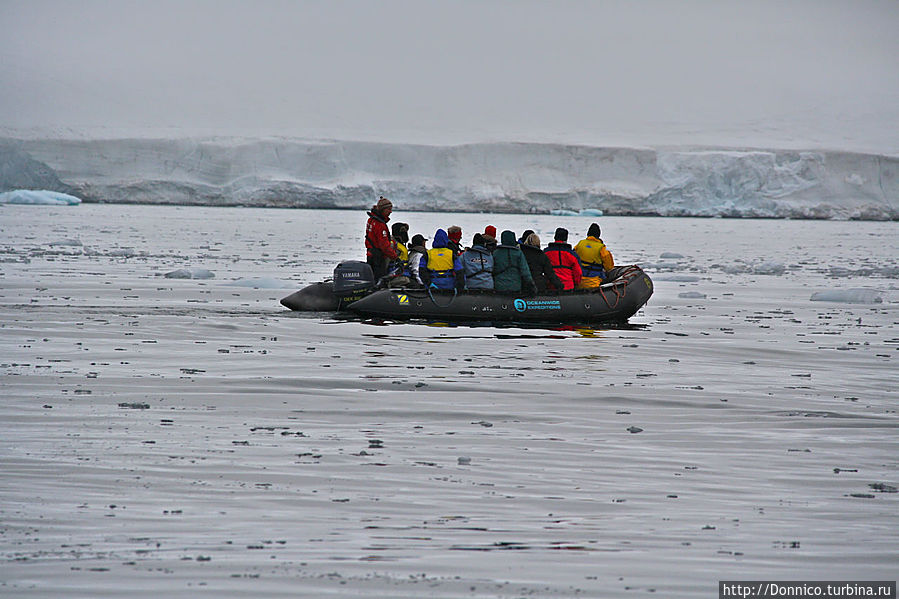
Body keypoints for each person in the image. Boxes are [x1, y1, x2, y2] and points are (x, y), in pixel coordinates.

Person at [492, 230, 537, 294]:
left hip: (499, 287)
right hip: (515, 287)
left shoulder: (496, 253)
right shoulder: (518, 253)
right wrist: (532, 286)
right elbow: (525, 272)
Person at [365, 196, 398, 280]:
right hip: (378, 257)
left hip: (371, 254)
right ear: (383, 209)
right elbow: (384, 246)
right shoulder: (380, 225)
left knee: (372, 277)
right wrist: (396, 258)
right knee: (379, 278)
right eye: (388, 209)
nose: (390, 212)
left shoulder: (371, 220)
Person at [574, 223, 615, 288]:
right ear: (599, 235)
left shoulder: (580, 244)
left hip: (577, 281)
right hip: (593, 283)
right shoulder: (601, 247)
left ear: (588, 233)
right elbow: (609, 267)